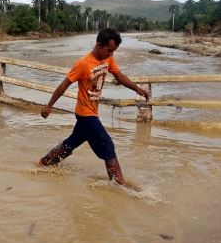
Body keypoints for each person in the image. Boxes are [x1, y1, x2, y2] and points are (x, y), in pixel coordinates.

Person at [38, 28, 149, 188]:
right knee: (107, 146)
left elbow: (119, 76)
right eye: (109, 50)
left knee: (71, 143)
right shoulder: (83, 64)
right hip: (85, 114)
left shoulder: (108, 59)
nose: (110, 54)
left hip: (91, 112)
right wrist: (49, 106)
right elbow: (64, 84)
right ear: (99, 44)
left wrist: (136, 88)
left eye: (113, 51)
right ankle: (120, 187)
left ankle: (45, 162)